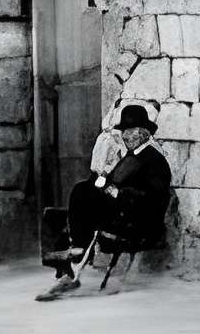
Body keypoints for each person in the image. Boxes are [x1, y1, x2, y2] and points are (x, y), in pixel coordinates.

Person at [36, 102, 170, 301]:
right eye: (124, 131)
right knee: (54, 216)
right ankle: (67, 270)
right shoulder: (130, 157)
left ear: (144, 133)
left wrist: (115, 191)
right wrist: (103, 183)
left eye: (131, 130)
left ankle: (77, 251)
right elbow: (112, 182)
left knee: (82, 191)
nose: (126, 135)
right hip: (116, 212)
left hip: (135, 220)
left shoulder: (154, 160)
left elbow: (151, 199)